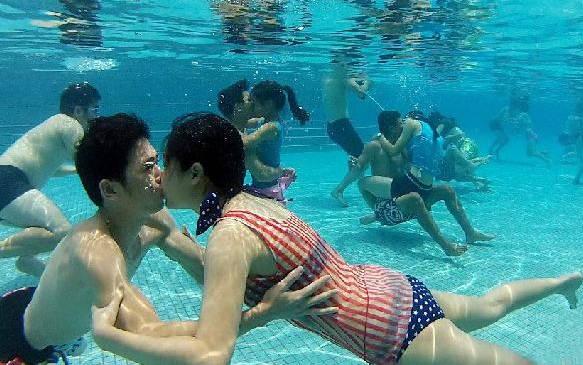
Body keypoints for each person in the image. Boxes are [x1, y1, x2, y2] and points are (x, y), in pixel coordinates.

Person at [92, 112, 583, 365]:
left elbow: (210, 353)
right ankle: (562, 282)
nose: (158, 179)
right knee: (490, 306)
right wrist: (173, 240)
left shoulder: (229, 235)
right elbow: (229, 279)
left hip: (395, 334)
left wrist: (111, 338)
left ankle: (563, 285)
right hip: (394, 289)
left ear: (195, 173)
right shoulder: (256, 204)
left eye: (165, 167)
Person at [0, 113, 335, 364]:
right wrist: (263, 313)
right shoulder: (97, 253)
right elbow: (153, 335)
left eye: (157, 162)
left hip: (51, 308)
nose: (161, 174)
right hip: (20, 344)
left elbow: (203, 265)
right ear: (110, 190)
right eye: (148, 168)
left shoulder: (154, 218)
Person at [0, 82, 100, 277]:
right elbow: (86, 160)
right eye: (94, 109)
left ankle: (27, 258)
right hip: (8, 181)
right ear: (79, 110)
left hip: (7, 182)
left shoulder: (55, 124)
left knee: (45, 227)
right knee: (62, 231)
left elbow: (52, 168)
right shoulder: (69, 124)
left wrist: (75, 170)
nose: (96, 116)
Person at [372, 111, 493, 255]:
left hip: (415, 189)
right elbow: (367, 167)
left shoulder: (408, 141)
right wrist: (379, 138)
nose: (403, 125)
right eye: (400, 123)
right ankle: (446, 246)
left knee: (448, 190)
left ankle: (470, 233)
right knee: (412, 198)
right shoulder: (379, 144)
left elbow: (414, 157)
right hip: (396, 203)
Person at [218, 79, 308, 206]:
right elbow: (244, 124)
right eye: (250, 101)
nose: (253, 106)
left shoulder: (270, 126)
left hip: (266, 189)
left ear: (269, 104)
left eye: (254, 102)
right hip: (264, 185)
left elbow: (246, 140)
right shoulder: (267, 122)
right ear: (238, 107)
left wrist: (230, 125)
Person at [324, 62, 373, 206]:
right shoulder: (345, 78)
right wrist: (367, 80)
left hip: (333, 127)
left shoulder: (328, 78)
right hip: (341, 125)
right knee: (364, 158)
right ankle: (339, 190)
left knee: (359, 158)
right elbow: (362, 94)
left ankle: (360, 182)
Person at [488, 91, 550, 164]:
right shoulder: (508, 109)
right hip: (495, 124)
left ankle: (494, 150)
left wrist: (516, 125)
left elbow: (522, 124)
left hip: (498, 124)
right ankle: (493, 150)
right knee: (504, 139)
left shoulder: (518, 113)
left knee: (503, 138)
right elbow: (504, 118)